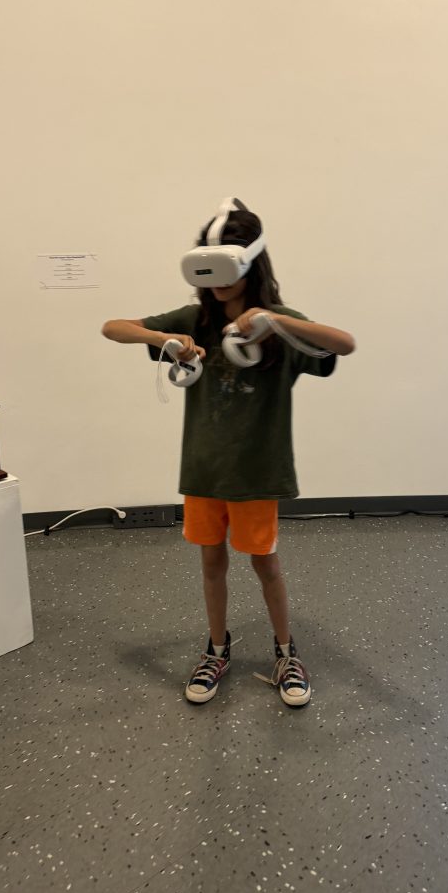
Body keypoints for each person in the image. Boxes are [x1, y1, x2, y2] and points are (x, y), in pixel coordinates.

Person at [102, 198, 355, 707]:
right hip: (204, 471)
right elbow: (114, 327)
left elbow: (343, 343)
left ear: (249, 265)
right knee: (211, 564)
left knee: (266, 564)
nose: (217, 283)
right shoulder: (194, 319)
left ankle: (286, 651)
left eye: (227, 268)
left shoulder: (279, 324)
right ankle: (217, 649)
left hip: (256, 473)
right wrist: (165, 338)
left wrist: (274, 321)